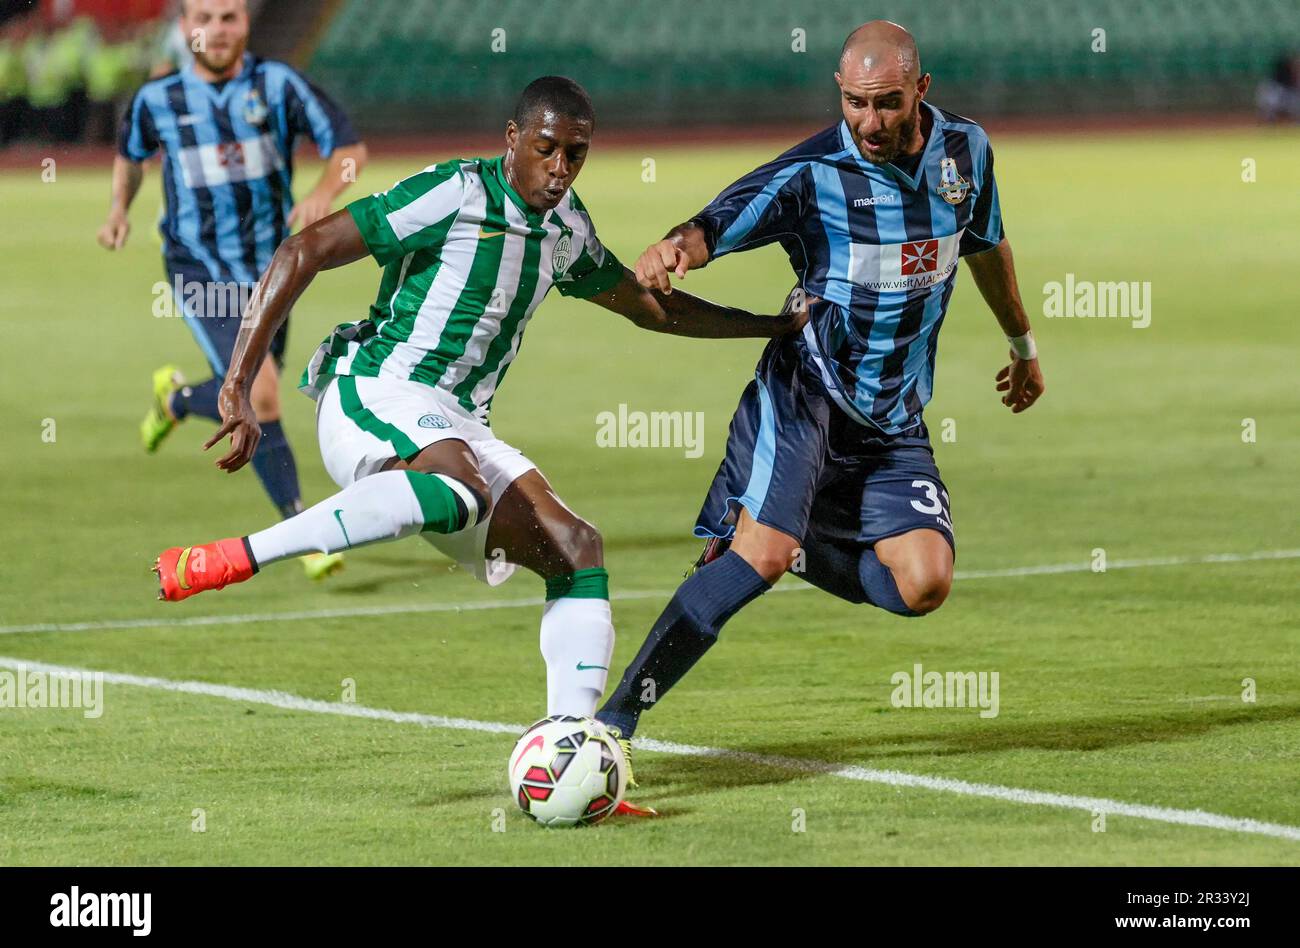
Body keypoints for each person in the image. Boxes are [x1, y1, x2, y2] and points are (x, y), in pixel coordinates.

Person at [151, 78, 808, 812]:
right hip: (375, 389)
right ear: (513, 139)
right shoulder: (452, 194)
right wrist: (237, 381)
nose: (560, 168)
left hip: (458, 422)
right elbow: (304, 248)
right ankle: (240, 555)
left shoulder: (565, 231)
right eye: (547, 148)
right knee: (459, 484)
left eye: (576, 154)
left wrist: (768, 326)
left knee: (575, 547)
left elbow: (648, 306)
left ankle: (573, 757)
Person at [595, 21, 1046, 774]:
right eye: (854, 103)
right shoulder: (814, 172)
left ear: (921, 91)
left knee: (924, 584)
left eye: (887, 103)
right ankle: (614, 721)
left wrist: (1023, 344)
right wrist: (676, 247)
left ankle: (795, 540)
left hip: (893, 417)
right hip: (806, 392)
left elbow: (985, 243)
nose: (868, 121)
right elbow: (717, 221)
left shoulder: (966, 152)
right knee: (758, 560)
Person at [98, 0, 368, 581]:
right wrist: (119, 208)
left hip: (273, 270)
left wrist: (325, 191)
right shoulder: (158, 100)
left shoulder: (278, 84)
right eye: (204, 18)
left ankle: (174, 401)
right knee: (263, 395)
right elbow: (131, 154)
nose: (216, 30)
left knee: (248, 389)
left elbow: (349, 154)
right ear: (184, 29)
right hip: (200, 268)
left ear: (246, 23)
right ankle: (306, 532)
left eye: (228, 17)